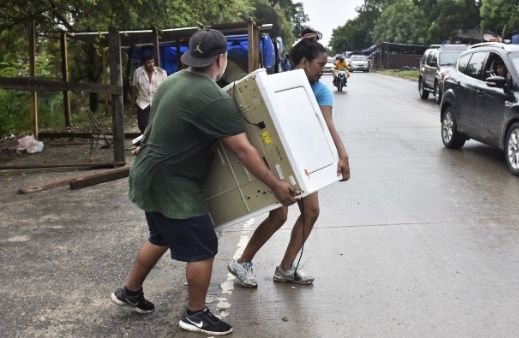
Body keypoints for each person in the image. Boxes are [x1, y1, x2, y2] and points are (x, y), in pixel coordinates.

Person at [110, 29, 298, 336]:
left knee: (160, 235)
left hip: (146, 174)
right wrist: (276, 184)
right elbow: (242, 149)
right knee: (203, 245)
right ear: (221, 59)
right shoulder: (211, 96)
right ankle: (195, 314)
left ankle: (129, 292)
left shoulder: (170, 81)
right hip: (173, 184)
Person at [227, 38, 351, 287]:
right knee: (279, 215)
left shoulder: (321, 90)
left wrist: (342, 154)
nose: (323, 69)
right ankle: (243, 262)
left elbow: (327, 126)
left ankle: (285, 267)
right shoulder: (274, 85)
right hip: (277, 159)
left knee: (311, 212)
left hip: (305, 159)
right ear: (304, 62)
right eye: (320, 64)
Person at [131, 52, 167, 133]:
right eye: (148, 62)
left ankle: (154, 142)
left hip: (157, 102)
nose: (151, 64)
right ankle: (144, 142)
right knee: (143, 124)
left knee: (157, 124)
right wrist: (133, 100)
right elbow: (134, 86)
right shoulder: (138, 72)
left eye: (152, 62)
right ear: (144, 63)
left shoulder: (162, 72)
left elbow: (166, 87)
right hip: (142, 102)